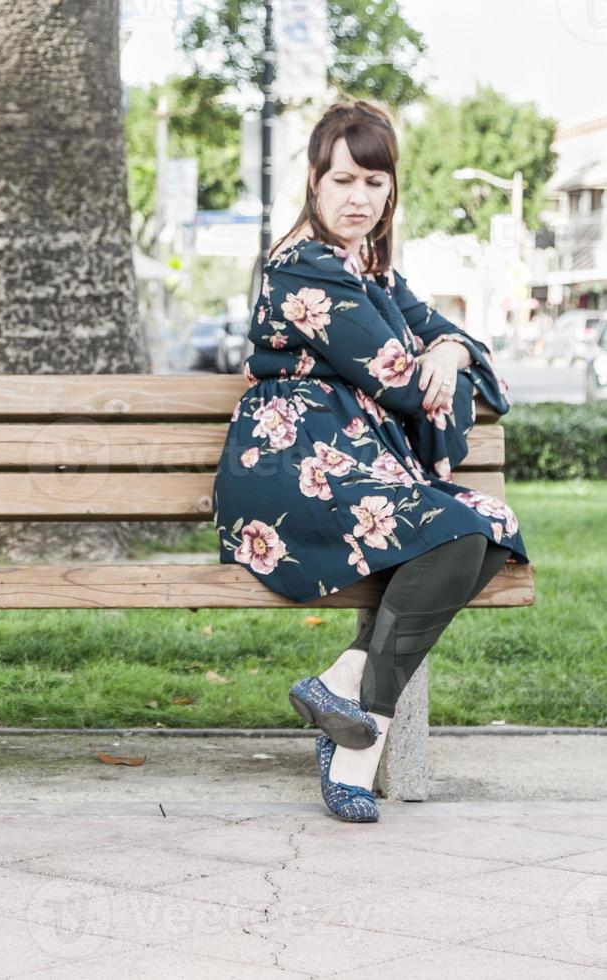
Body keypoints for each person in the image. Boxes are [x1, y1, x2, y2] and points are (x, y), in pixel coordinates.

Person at [212, 102, 528, 823]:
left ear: (391, 190)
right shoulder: (304, 269)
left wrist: (449, 347)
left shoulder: (375, 269)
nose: (360, 198)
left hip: (351, 461)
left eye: (375, 182)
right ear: (315, 183)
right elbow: (402, 381)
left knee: (488, 525)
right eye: (344, 179)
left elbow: (445, 341)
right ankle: (359, 745)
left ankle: (343, 688)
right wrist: (436, 360)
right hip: (294, 469)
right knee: (458, 530)